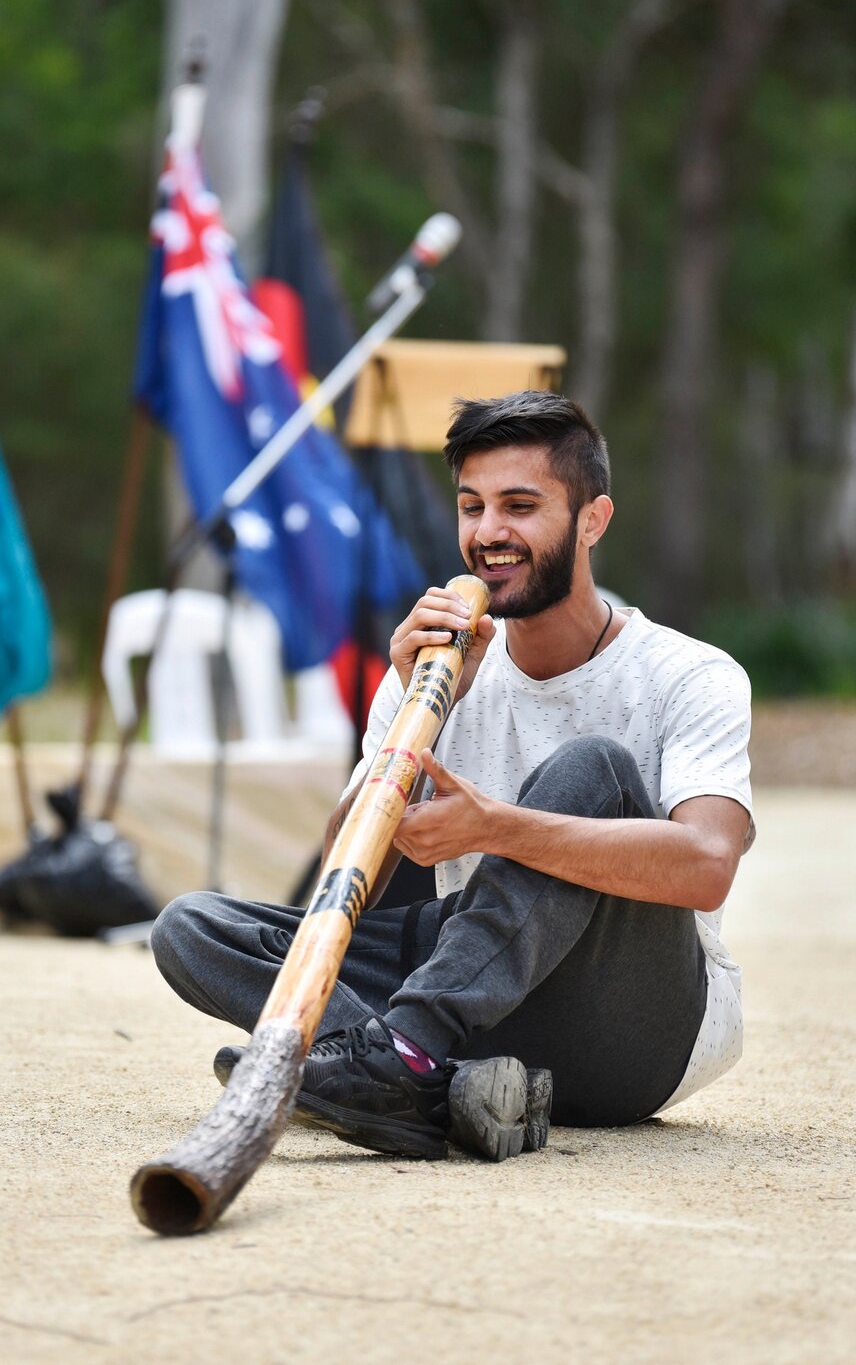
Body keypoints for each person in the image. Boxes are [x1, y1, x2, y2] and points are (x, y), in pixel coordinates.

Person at [151, 390, 754, 1162]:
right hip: (481, 991)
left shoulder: (690, 674)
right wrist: (420, 712)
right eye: (472, 507)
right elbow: (348, 876)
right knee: (196, 929)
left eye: (520, 505)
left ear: (592, 520)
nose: (489, 533)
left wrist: (499, 828)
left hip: (634, 1028)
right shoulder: (434, 666)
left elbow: (707, 866)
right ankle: (432, 1087)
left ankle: (396, 1054)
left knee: (592, 768)